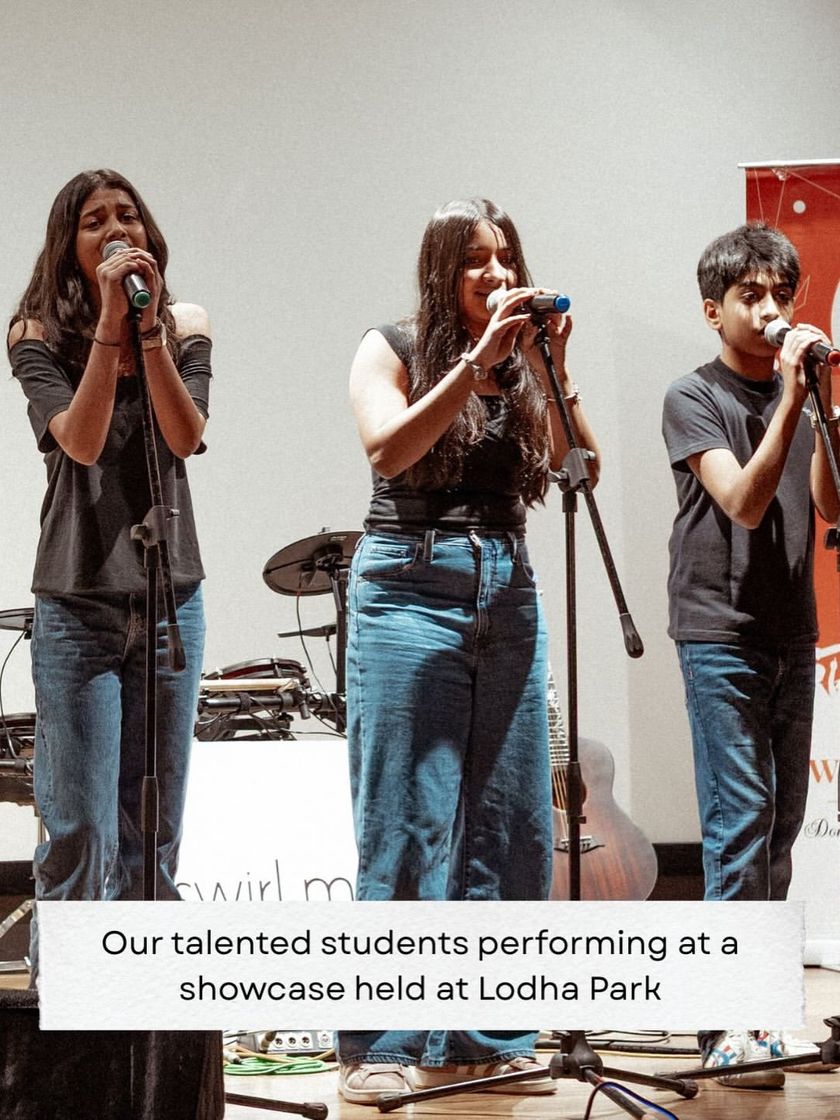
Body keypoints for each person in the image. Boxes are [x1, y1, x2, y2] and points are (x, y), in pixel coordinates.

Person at [336, 198, 600, 1104]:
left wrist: (553, 371)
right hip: (410, 588)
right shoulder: (392, 346)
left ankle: (484, 1034)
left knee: (511, 822)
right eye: (476, 260)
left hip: (507, 587)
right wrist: (473, 367)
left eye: (505, 257)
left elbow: (578, 468)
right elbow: (388, 449)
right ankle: (384, 1040)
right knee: (407, 821)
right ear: (441, 273)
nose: (496, 273)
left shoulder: (528, 363)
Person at [9, 169, 211, 980]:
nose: (116, 228)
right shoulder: (34, 333)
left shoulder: (185, 324)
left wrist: (149, 333)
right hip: (78, 602)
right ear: (70, 246)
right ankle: (69, 1022)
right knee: (82, 830)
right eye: (95, 220)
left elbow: (185, 436)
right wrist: (107, 327)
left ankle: (144, 1017)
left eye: (128, 215)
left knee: (151, 831)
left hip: (170, 600)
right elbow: (82, 442)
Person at [662, 221, 839, 1087]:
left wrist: (822, 410)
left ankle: (759, 1015)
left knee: (778, 830)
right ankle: (724, 1027)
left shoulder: (802, 396)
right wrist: (793, 404)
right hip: (718, 632)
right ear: (714, 310)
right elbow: (741, 499)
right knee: (739, 825)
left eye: (781, 295)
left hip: (790, 630)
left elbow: (830, 504)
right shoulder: (692, 396)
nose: (771, 310)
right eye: (751, 296)